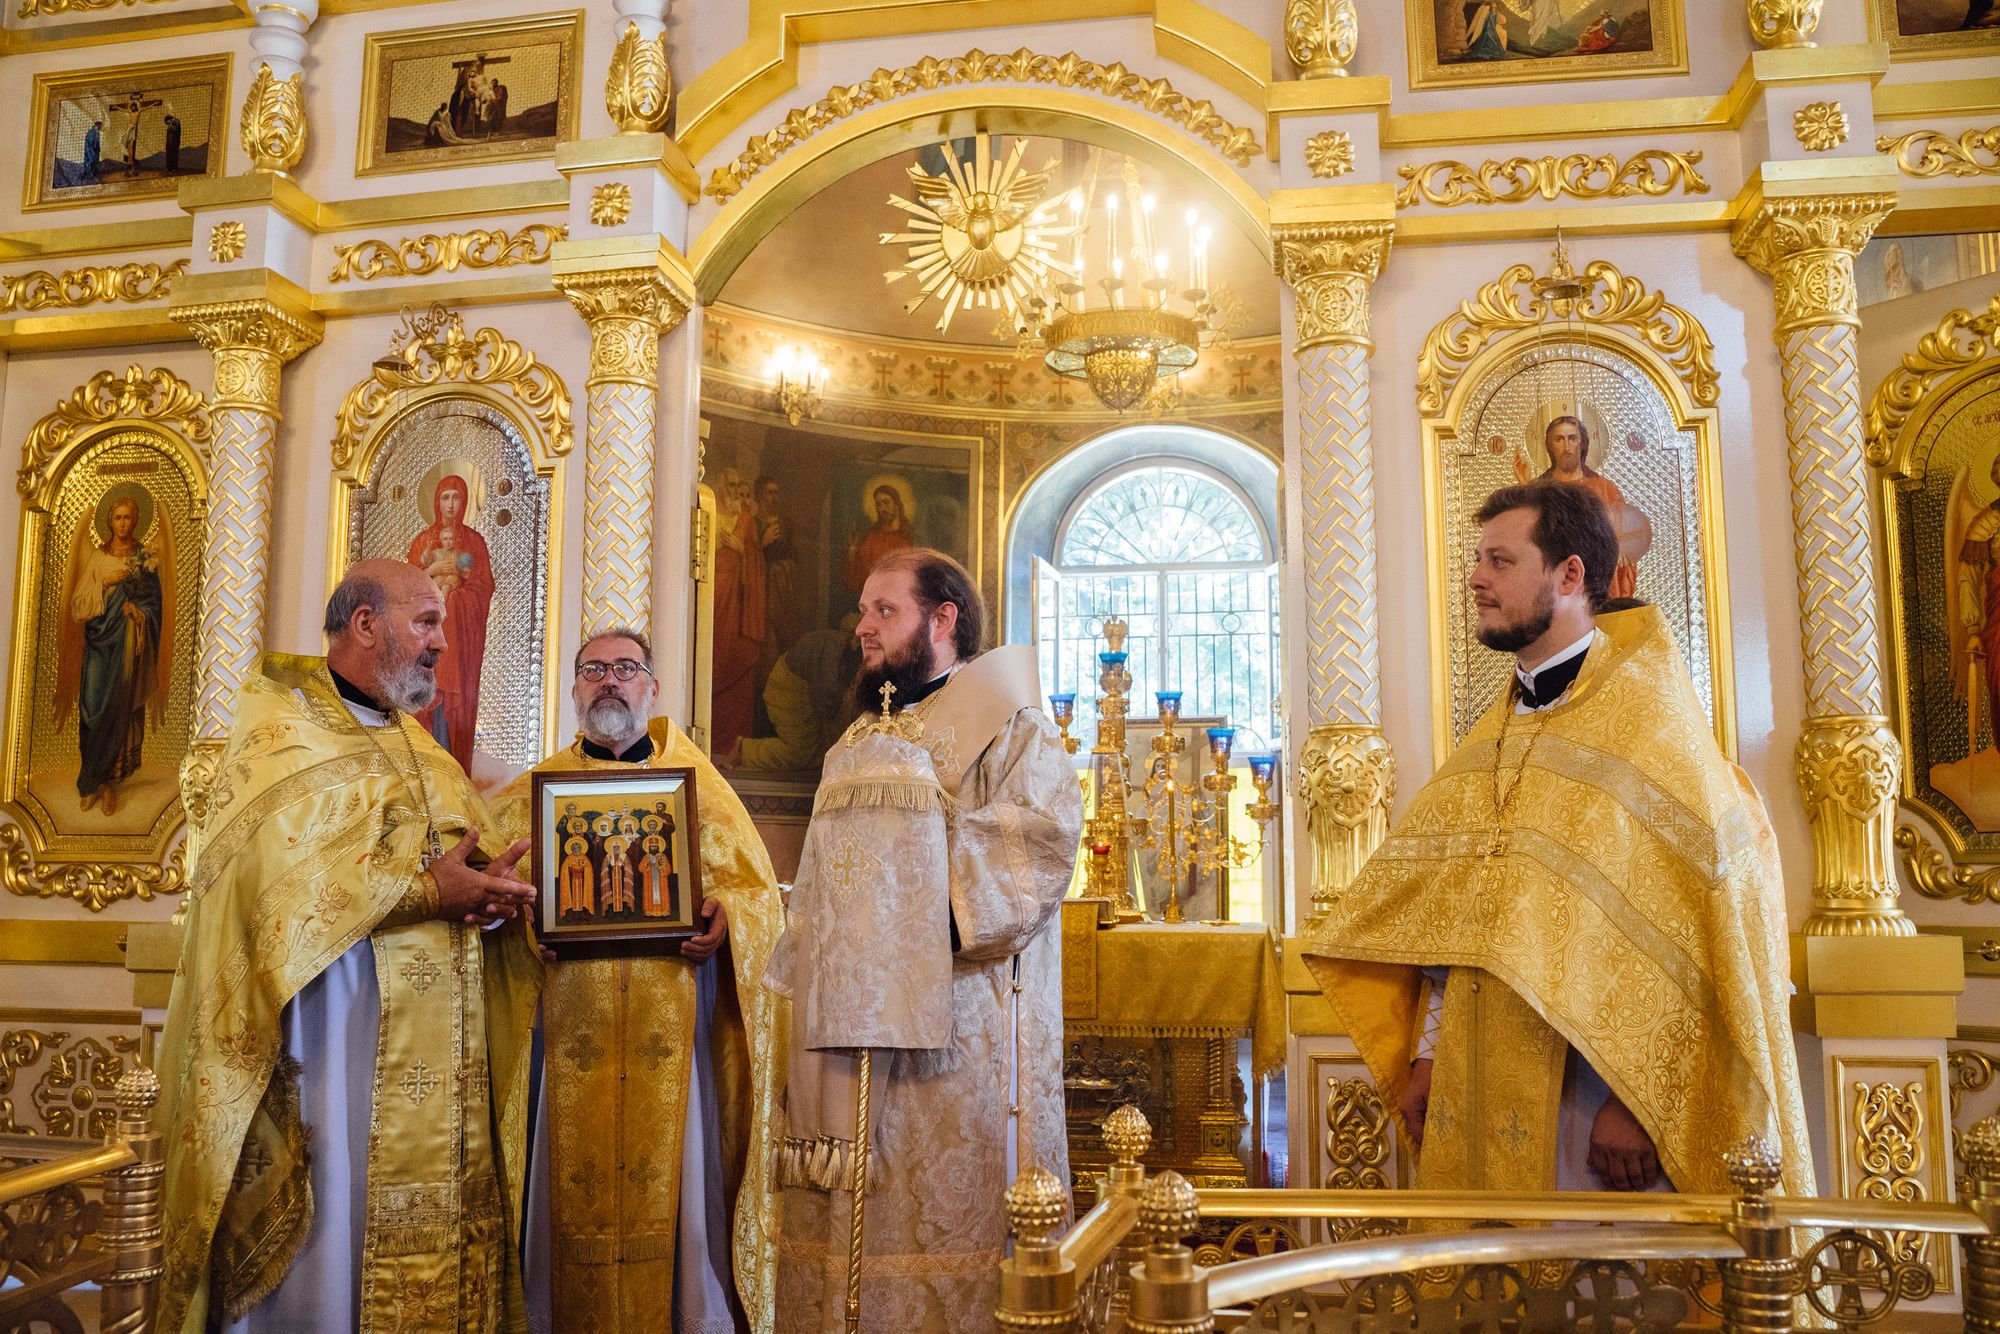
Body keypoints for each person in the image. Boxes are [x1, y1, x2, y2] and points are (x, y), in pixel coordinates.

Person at [1300, 483, 1814, 1200]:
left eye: (1500, 561)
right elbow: (1456, 924)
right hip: (1480, 1075)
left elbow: (1710, 936)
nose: (1476, 579)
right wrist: (1428, 1058)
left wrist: (1638, 1104)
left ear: (1570, 574)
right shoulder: (1494, 736)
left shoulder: (1652, 733)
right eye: (1478, 560)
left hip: (1603, 1104)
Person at [155, 559, 543, 1333]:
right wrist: (428, 892)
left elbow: (462, 863)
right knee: (334, 1247)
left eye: (441, 623)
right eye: (425, 621)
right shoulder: (281, 731)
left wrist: (493, 895)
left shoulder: (424, 750)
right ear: (365, 624)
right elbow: (273, 885)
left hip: (437, 1066)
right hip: (332, 1045)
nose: (442, 642)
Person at [767, 548, 1082, 1332]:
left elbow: (1039, 847)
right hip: (847, 1039)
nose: (863, 628)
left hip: (961, 1039)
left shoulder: (1012, 727)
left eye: (885, 610)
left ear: (943, 619)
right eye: (862, 611)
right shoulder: (856, 739)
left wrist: (900, 921)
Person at [491, 628, 786, 1334]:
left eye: (626, 668)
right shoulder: (529, 795)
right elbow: (492, 896)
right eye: (593, 669)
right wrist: (520, 919)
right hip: (566, 1032)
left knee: (678, 1192)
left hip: (671, 1030)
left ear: (652, 688)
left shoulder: (701, 791)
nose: (610, 680)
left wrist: (727, 919)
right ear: (574, 689)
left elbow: (758, 898)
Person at [55, 491, 173, 817]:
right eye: (117, 518)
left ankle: (106, 784)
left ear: (136, 521)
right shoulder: (98, 557)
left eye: (128, 518)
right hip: (98, 644)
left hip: (126, 645)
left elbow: (154, 606)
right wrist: (105, 583)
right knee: (92, 709)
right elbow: (78, 605)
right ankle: (89, 780)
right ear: (109, 521)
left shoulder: (144, 558)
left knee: (117, 708)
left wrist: (139, 612)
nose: (122, 524)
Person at [405, 472, 495, 771]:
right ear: (436, 501)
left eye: (456, 497)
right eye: (445, 497)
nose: (451, 504)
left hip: (461, 642)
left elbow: (482, 587)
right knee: (427, 700)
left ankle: (456, 768)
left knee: (455, 703)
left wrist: (457, 600)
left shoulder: (474, 542)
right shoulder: (422, 542)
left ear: (466, 501)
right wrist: (431, 573)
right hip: (426, 644)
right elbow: (407, 591)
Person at [1517, 414, 1642, 599]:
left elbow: (1623, 544)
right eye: (1559, 439)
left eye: (1572, 438)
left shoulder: (1604, 489)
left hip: (1596, 585)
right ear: (1550, 446)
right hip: (1555, 584)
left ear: (1582, 443)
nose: (1567, 446)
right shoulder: (1537, 489)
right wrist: (1526, 490)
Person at [710, 468, 768, 756]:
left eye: (739, 486)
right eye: (731, 485)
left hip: (738, 607)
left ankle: (732, 746)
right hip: (711, 603)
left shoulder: (745, 520)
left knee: (738, 664)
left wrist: (742, 550)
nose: (734, 491)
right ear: (721, 485)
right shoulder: (707, 511)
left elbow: (756, 561)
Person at [841, 483, 916, 592]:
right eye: (878, 504)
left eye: (886, 502)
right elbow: (856, 577)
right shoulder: (872, 536)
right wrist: (852, 551)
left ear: (897, 504)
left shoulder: (909, 536)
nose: (882, 509)